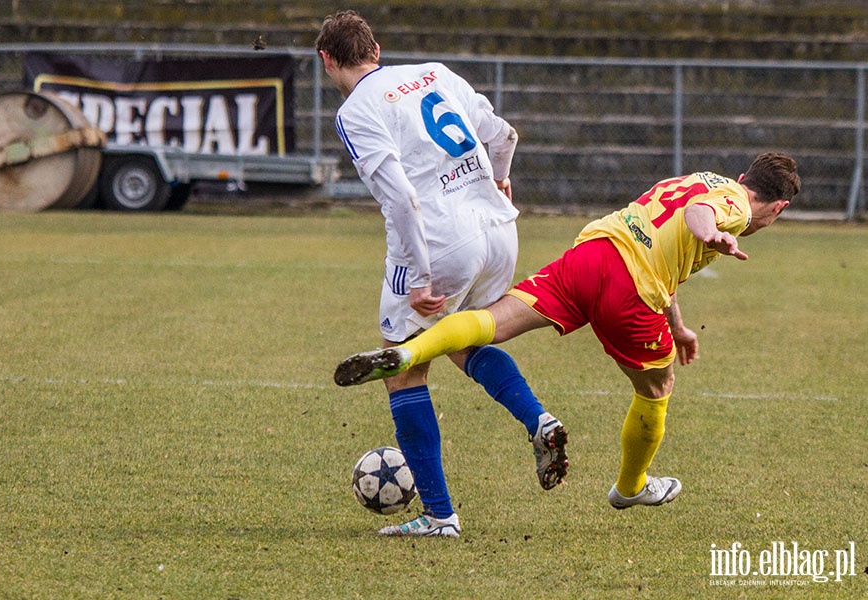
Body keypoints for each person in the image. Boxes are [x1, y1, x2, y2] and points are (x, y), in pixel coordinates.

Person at [336, 152, 801, 512]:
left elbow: (669, 242)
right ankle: (631, 488)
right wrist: (713, 234)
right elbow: (699, 215)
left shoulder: (703, 177)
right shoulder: (735, 208)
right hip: (631, 291)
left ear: (744, 176)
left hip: (594, 251)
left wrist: (678, 326)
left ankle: (407, 352)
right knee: (658, 388)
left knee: (496, 321)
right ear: (777, 207)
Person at [317, 10, 568, 538]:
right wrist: (501, 183)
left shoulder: (355, 110)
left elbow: (403, 199)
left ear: (327, 61)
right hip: (499, 231)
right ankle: (538, 419)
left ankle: (439, 515)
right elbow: (504, 136)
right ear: (376, 49)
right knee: (457, 338)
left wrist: (422, 276)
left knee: (404, 369)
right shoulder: (435, 71)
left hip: (442, 242)